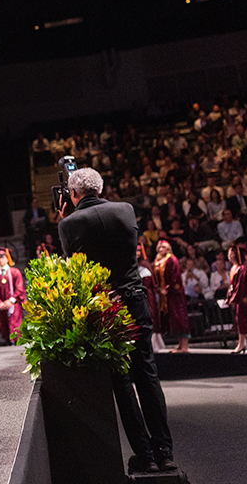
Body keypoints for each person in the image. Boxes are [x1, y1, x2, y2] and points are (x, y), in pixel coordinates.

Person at [57, 168, 177, 473]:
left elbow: (75, 266)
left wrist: (64, 219)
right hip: (135, 299)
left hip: (104, 306)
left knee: (121, 379)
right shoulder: (125, 210)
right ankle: (165, 451)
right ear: (100, 187)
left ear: (72, 194)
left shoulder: (69, 224)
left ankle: (145, 455)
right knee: (147, 372)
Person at [153, 240, 191, 353]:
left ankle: (185, 346)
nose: (161, 250)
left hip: (175, 293)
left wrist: (168, 289)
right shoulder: (160, 260)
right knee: (175, 318)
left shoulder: (171, 259)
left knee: (180, 317)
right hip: (167, 295)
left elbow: (175, 278)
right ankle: (180, 344)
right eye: (159, 248)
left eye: (163, 247)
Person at [0, 248, 25, 344]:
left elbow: (19, 288)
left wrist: (11, 301)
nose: (0, 260)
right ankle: (7, 340)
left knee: (14, 322)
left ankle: (16, 341)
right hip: (0, 305)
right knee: (2, 325)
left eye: (2, 257)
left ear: (7, 258)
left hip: (13, 303)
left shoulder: (14, 272)